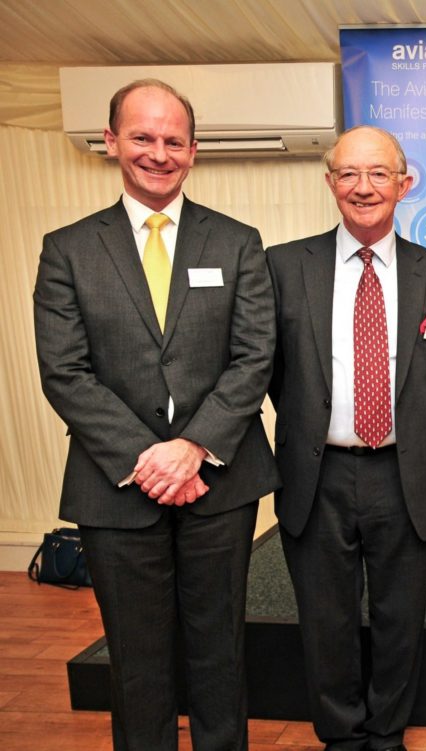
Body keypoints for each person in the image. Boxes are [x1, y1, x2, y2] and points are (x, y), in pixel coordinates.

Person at [33, 79, 279, 751]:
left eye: (174, 140)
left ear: (193, 150)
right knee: (136, 662)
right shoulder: (68, 249)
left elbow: (255, 355)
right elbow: (64, 371)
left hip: (219, 482)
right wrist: (149, 458)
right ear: (111, 141)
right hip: (115, 486)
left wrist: (193, 446)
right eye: (142, 137)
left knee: (220, 651)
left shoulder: (237, 242)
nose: (159, 153)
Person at [266, 125, 426, 751]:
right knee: (327, 620)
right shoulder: (283, 267)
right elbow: (270, 372)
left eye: (379, 173)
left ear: (404, 185)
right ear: (330, 183)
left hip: (406, 472)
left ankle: (387, 734)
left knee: (401, 619)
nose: (363, 186)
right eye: (348, 173)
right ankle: (342, 738)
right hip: (317, 472)